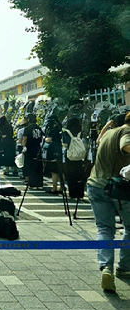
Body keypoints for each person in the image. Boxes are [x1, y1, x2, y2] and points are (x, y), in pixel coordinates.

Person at [86, 112, 130, 293]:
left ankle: (106, 268)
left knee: (104, 228)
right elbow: (126, 145)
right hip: (116, 188)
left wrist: (107, 125)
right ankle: (124, 267)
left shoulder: (109, 133)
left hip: (95, 185)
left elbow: (98, 141)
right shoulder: (127, 131)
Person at [62, 117, 86, 199]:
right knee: (79, 175)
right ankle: (80, 194)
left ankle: (72, 193)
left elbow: (65, 144)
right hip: (79, 156)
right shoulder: (80, 133)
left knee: (70, 175)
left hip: (70, 156)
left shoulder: (66, 133)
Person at [22, 113, 44, 189]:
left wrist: (24, 147)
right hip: (38, 148)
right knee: (39, 166)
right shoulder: (39, 128)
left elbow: (25, 139)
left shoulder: (27, 128)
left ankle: (33, 183)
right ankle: (39, 184)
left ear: (28, 119)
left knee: (31, 166)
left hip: (30, 149)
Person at [43, 115, 63, 194]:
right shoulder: (60, 127)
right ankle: (61, 187)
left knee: (54, 171)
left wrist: (44, 137)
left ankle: (54, 188)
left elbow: (48, 140)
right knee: (61, 170)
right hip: (60, 149)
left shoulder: (52, 129)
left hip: (53, 149)